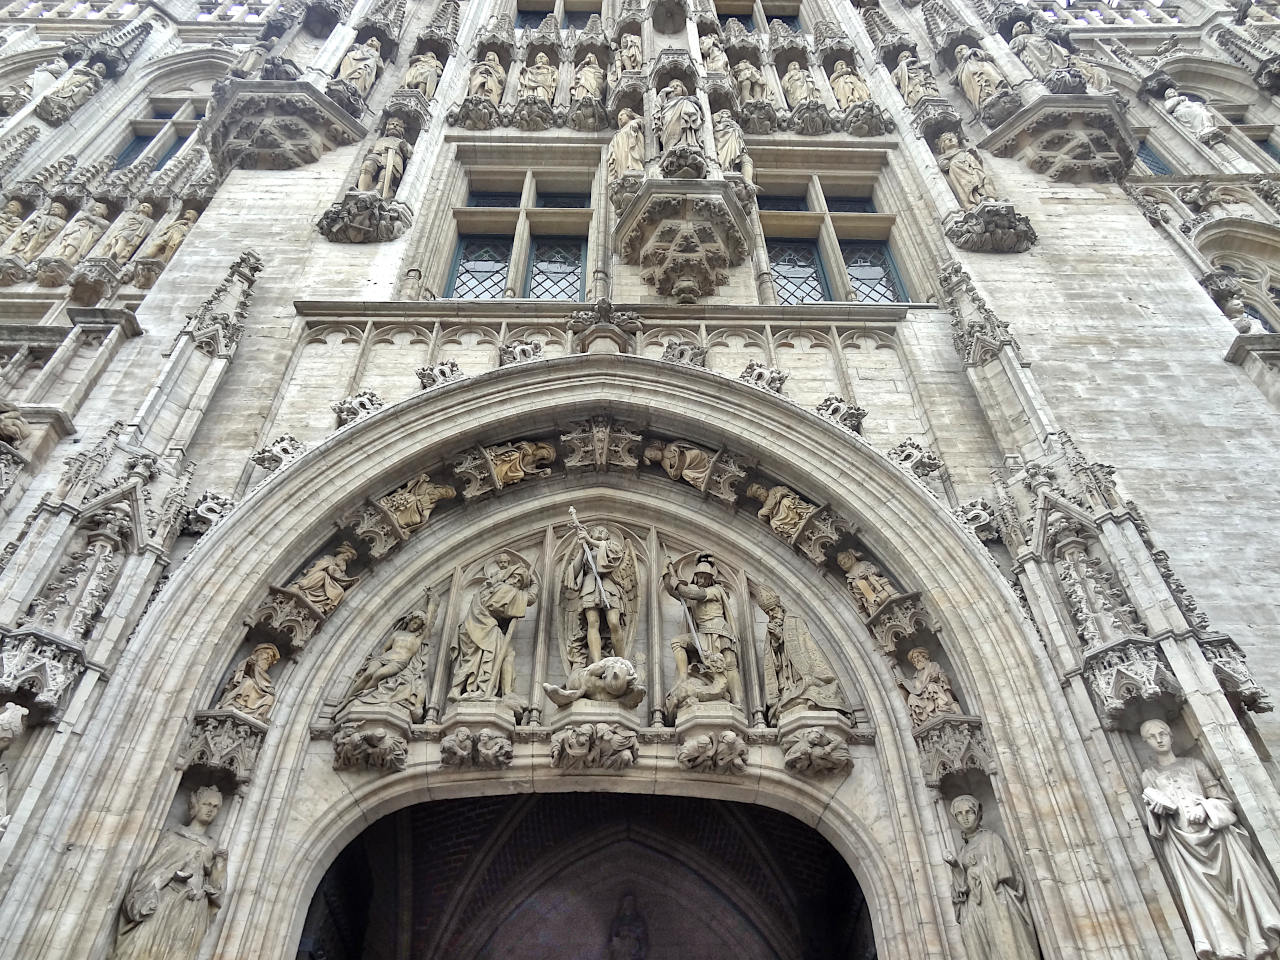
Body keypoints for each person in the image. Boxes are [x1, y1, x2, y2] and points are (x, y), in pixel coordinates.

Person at [1139, 718, 1280, 960]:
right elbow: (1155, 825)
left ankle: (1258, 939)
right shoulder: (1149, 775)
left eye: (1163, 733)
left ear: (1172, 735)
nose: (1159, 739)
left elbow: (1223, 800)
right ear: (1146, 743)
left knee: (1238, 882)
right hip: (1183, 845)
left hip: (1217, 835)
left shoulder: (1194, 764)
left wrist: (1205, 808)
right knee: (1204, 896)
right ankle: (1228, 946)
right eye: (1152, 737)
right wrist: (1159, 811)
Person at [113, 786, 227, 960]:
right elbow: (153, 869)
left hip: (192, 909)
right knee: (141, 947)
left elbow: (215, 889)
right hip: (165, 900)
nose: (211, 810)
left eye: (215, 806)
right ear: (195, 805)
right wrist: (166, 880)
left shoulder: (212, 846)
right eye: (206, 804)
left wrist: (219, 866)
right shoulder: (174, 835)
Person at [944, 795, 1041, 960]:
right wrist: (956, 869)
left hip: (996, 903)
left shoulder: (992, 839)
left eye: (969, 812)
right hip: (973, 912)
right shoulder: (961, 852)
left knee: (1008, 948)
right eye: (959, 814)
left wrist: (977, 872)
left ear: (978, 814)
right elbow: (959, 893)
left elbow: (1007, 874)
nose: (965, 817)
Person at [449, 553, 536, 703]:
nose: (516, 582)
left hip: (480, 627)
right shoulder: (502, 588)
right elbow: (528, 600)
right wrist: (533, 585)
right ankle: (480, 689)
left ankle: (464, 689)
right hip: (482, 629)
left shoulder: (495, 587)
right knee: (480, 659)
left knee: (504, 654)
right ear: (507, 576)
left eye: (520, 581)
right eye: (514, 577)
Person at [663, 553, 742, 705]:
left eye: (706, 577)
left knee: (730, 665)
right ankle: (682, 677)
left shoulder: (715, 590)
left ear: (711, 578)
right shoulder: (692, 591)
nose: (703, 580)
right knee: (677, 642)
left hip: (719, 631)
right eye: (700, 576)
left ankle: (737, 702)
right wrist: (666, 571)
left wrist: (677, 583)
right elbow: (674, 592)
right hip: (703, 633)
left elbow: (691, 593)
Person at [216, 643, 279, 720]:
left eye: (271, 657)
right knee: (248, 682)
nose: (268, 658)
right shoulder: (251, 661)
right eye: (267, 654)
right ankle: (236, 705)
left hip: (259, 689)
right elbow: (241, 671)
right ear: (259, 653)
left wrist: (269, 689)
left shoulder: (265, 675)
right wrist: (249, 664)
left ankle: (257, 716)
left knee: (270, 697)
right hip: (247, 683)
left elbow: (264, 684)